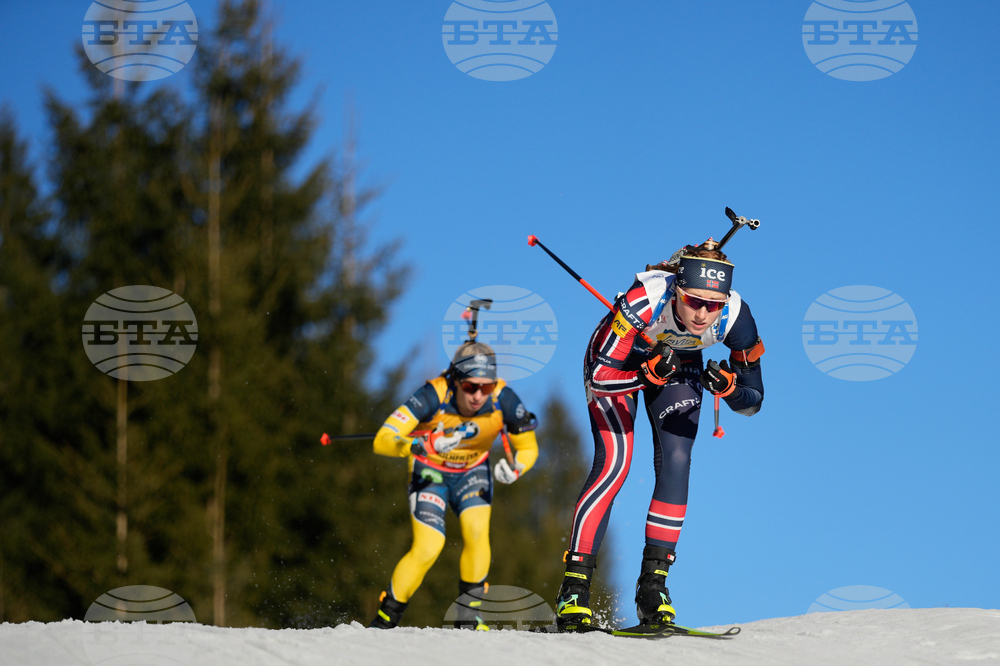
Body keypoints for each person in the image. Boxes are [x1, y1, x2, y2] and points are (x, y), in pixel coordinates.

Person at [554, 238, 765, 630]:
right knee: (615, 463)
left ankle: (654, 587)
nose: (703, 315)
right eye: (694, 301)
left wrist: (728, 388)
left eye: (713, 304)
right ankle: (574, 590)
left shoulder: (737, 317)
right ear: (676, 290)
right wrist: (643, 375)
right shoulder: (644, 300)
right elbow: (601, 376)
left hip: (679, 363)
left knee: (678, 460)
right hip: (622, 362)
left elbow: (753, 402)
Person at [369, 341, 539, 630]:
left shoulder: (504, 399)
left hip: (472, 470)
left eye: (485, 387)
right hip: (430, 470)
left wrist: (517, 468)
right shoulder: (433, 394)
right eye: (470, 386)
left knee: (476, 533)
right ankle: (386, 618)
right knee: (429, 546)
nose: (477, 395)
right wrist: (423, 444)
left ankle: (468, 616)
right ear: (456, 381)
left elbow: (528, 448)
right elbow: (382, 441)